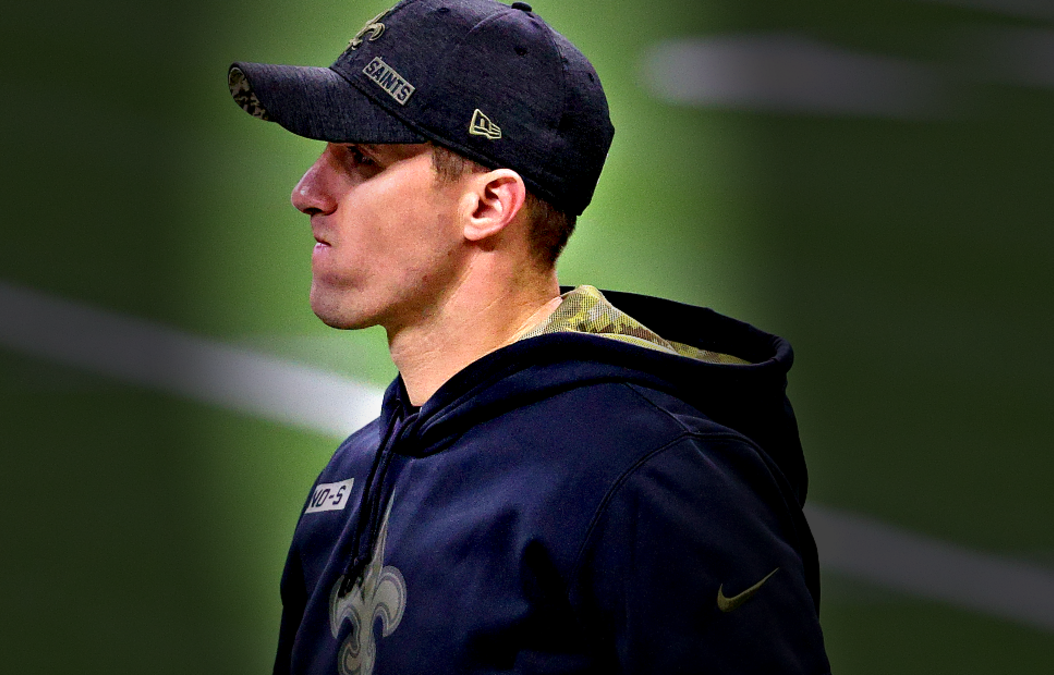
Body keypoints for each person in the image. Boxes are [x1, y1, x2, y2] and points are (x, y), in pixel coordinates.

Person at [227, 0, 830, 672]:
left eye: (361, 157)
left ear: (489, 204)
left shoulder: (658, 484)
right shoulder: (352, 475)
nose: (307, 191)